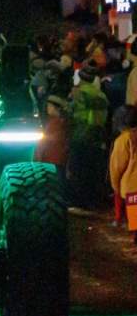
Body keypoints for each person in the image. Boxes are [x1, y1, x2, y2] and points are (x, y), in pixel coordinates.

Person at [68, 62, 109, 210]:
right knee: (93, 172)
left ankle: (79, 202)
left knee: (78, 170)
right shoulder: (102, 95)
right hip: (97, 137)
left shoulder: (78, 94)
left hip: (80, 135)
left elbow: (69, 113)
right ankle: (93, 202)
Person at [109, 105, 137, 242]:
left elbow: (117, 167)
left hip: (133, 190)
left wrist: (116, 187)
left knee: (135, 226)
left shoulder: (125, 139)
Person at [34, 94, 70, 182]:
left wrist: (38, 157)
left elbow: (46, 142)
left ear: (56, 108)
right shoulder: (62, 122)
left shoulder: (56, 123)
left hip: (52, 160)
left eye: (49, 106)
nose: (47, 108)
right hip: (58, 161)